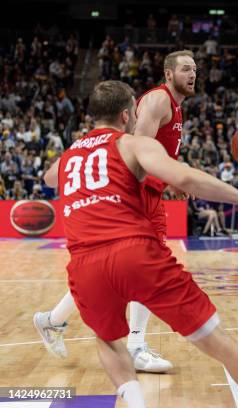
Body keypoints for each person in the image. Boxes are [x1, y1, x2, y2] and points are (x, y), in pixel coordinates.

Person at [49, 80, 238, 408]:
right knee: (217, 342)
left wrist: (81, 155)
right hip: (133, 251)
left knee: (107, 340)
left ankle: (136, 403)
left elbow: (50, 178)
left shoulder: (70, 156)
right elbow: (187, 178)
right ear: (125, 115)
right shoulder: (133, 144)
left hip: (84, 264)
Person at [34, 50, 197, 372]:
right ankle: (136, 345)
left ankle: (51, 321)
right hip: (138, 193)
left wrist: (169, 175)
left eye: (195, 69)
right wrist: (169, 175)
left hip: (149, 190)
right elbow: (134, 150)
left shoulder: (173, 106)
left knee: (111, 272)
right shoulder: (158, 101)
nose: (193, 74)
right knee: (142, 265)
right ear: (168, 74)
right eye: (185, 69)